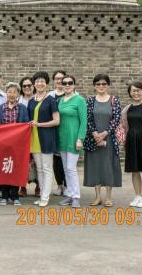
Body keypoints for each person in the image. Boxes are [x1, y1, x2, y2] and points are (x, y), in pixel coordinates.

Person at [83, 74, 122, 207]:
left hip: (109, 139)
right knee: (96, 166)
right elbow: (88, 119)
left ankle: (108, 198)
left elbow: (116, 119)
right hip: (94, 138)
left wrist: (104, 133)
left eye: (104, 84)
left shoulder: (114, 100)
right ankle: (98, 197)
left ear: (108, 85)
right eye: (98, 84)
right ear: (94, 86)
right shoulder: (90, 101)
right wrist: (95, 134)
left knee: (108, 166)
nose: (101, 86)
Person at [27, 71, 60, 208]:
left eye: (42, 81)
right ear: (34, 84)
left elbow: (56, 121)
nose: (39, 83)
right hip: (34, 138)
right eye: (37, 81)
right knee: (39, 169)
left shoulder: (51, 100)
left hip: (46, 138)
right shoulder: (31, 101)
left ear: (46, 83)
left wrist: (39, 124)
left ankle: (45, 197)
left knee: (46, 168)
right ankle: (42, 195)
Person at [0, 82, 29, 206]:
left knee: (16, 169)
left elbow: (25, 124)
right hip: (3, 144)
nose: (12, 94)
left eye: (14, 92)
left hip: (17, 145)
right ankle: (5, 196)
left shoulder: (22, 108)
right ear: (6, 93)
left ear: (18, 94)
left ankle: (15, 196)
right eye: (9, 92)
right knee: (4, 168)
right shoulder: (0, 108)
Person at [57, 75, 86, 208]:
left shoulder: (80, 100)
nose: (67, 85)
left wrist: (80, 138)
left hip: (74, 138)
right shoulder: (60, 100)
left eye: (70, 83)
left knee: (71, 168)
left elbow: (84, 121)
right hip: (62, 138)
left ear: (74, 85)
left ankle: (76, 197)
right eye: (65, 83)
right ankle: (70, 194)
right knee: (65, 169)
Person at [49, 70, 67, 197]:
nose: (59, 81)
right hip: (53, 130)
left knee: (67, 160)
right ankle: (59, 185)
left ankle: (67, 186)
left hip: (66, 130)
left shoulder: (72, 94)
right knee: (56, 161)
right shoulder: (50, 95)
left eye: (61, 78)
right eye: (57, 78)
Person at [17, 76, 35, 197]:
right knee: (23, 161)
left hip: (36, 133)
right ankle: (22, 187)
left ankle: (38, 187)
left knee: (36, 161)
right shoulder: (18, 100)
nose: (27, 87)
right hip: (22, 136)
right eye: (24, 86)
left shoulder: (38, 98)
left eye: (29, 85)